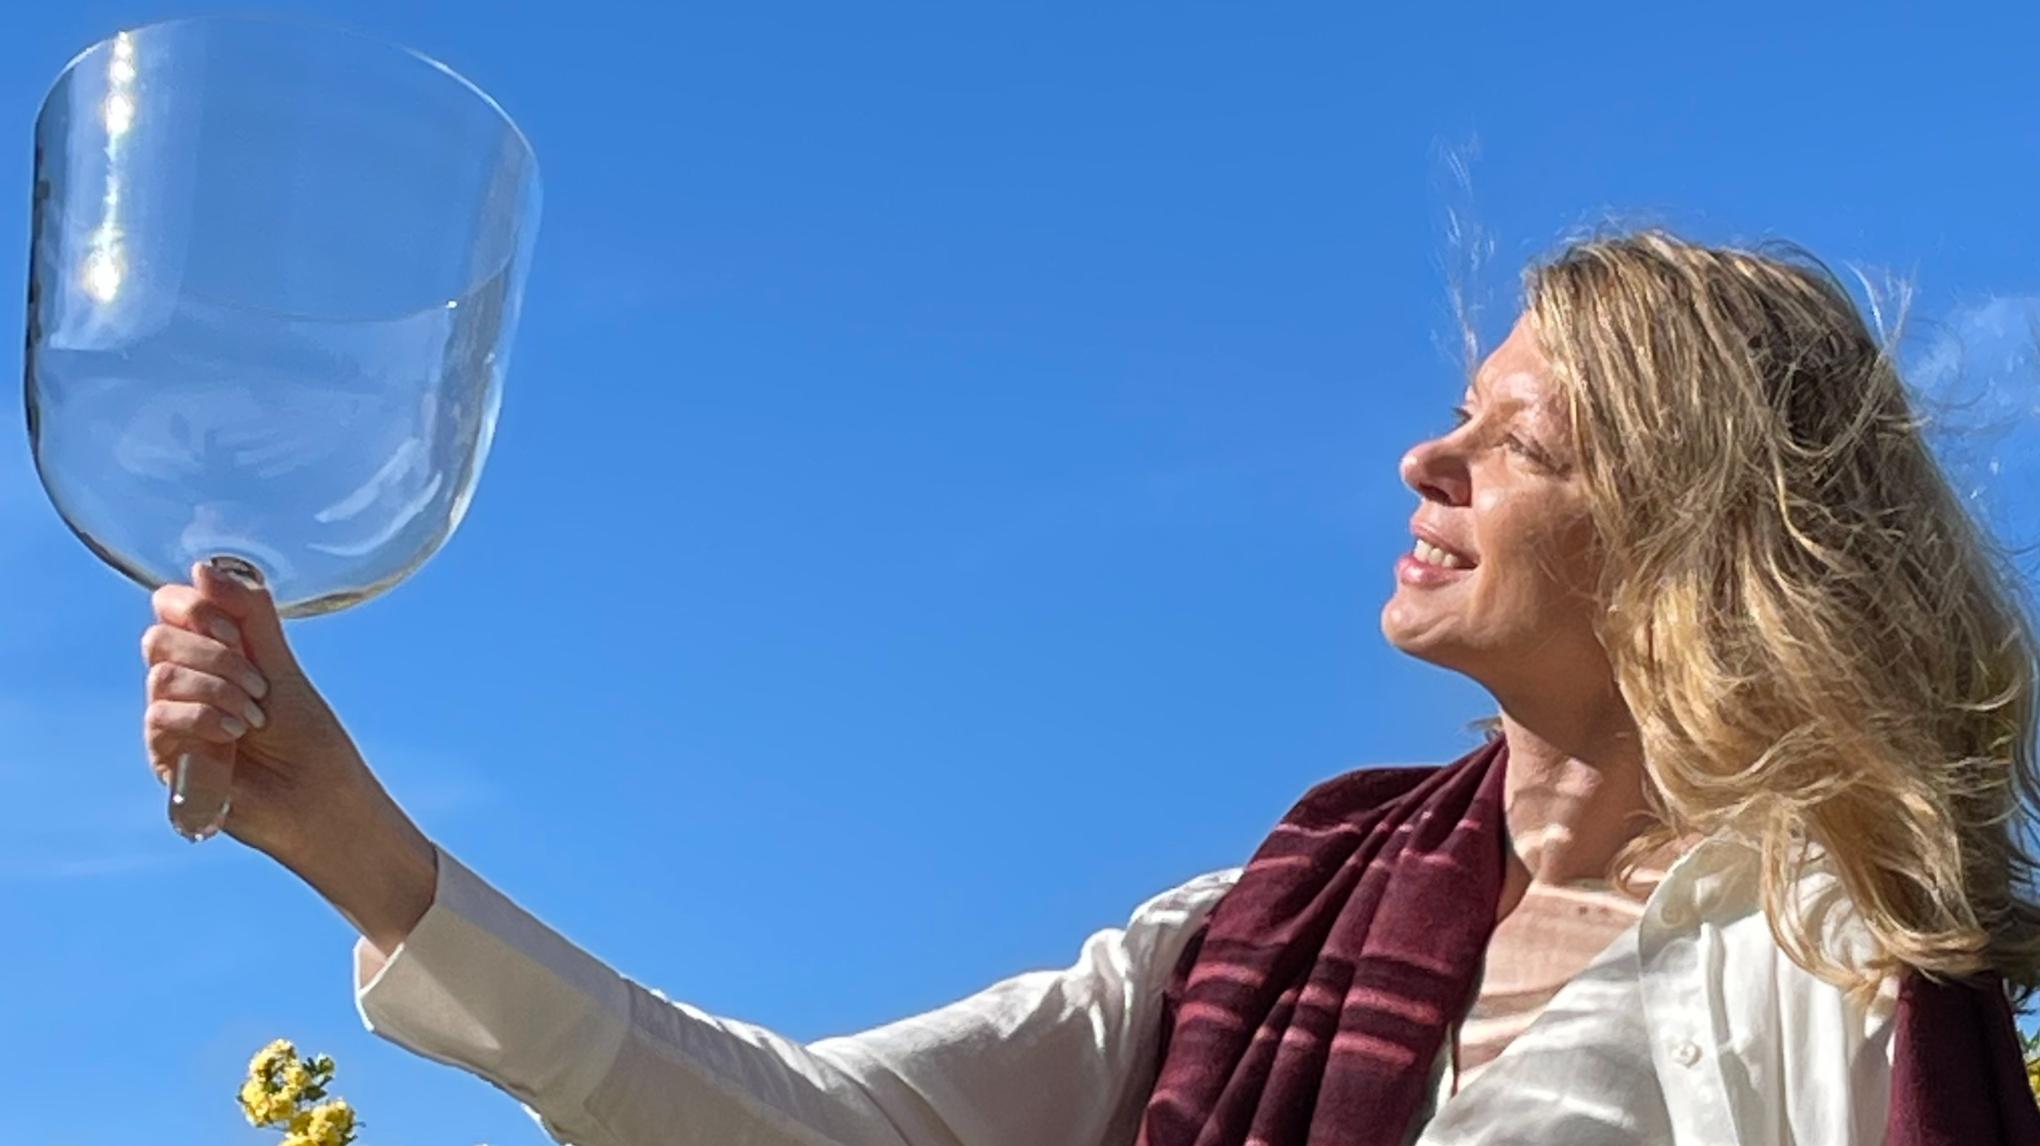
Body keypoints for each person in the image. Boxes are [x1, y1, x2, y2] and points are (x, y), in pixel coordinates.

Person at [138, 231, 2040, 1145]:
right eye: (1448, 414)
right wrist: (354, 840)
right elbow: (808, 1121)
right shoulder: (1262, 921)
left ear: (1691, 525)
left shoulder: (1826, 943)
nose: (1420, 461)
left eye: (1512, 437)